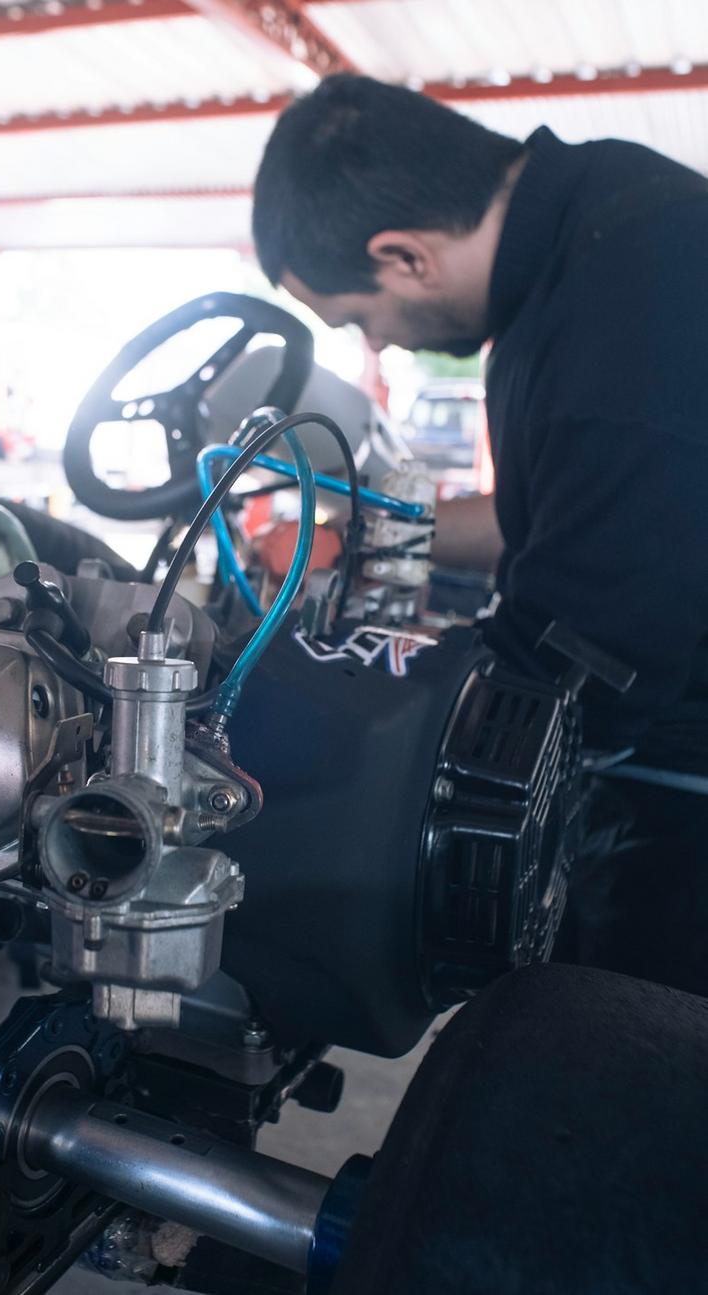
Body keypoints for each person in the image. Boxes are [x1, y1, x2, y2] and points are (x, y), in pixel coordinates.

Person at [252, 73, 708, 993]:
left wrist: (341, 709)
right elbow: (555, 517)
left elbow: (588, 654)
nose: (374, 347)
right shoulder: (588, 227)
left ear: (405, 256)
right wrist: (373, 528)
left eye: (358, 319)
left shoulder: (635, 294)